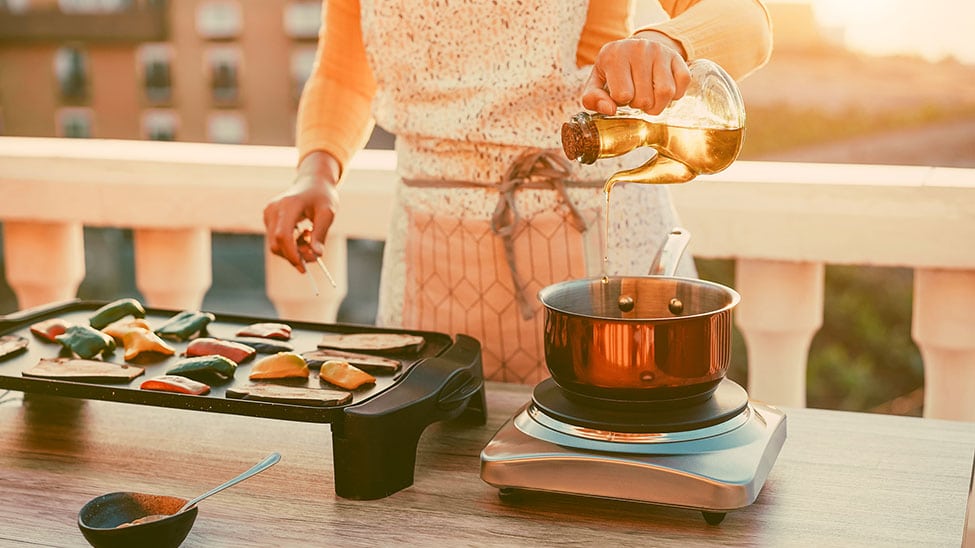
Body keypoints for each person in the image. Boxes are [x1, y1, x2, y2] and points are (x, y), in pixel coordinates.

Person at [264, 0, 773, 384]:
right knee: (432, 493)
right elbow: (343, 72)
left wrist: (668, 43)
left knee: (626, 480)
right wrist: (318, 168)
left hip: (600, 250)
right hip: (426, 264)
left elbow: (748, 20)